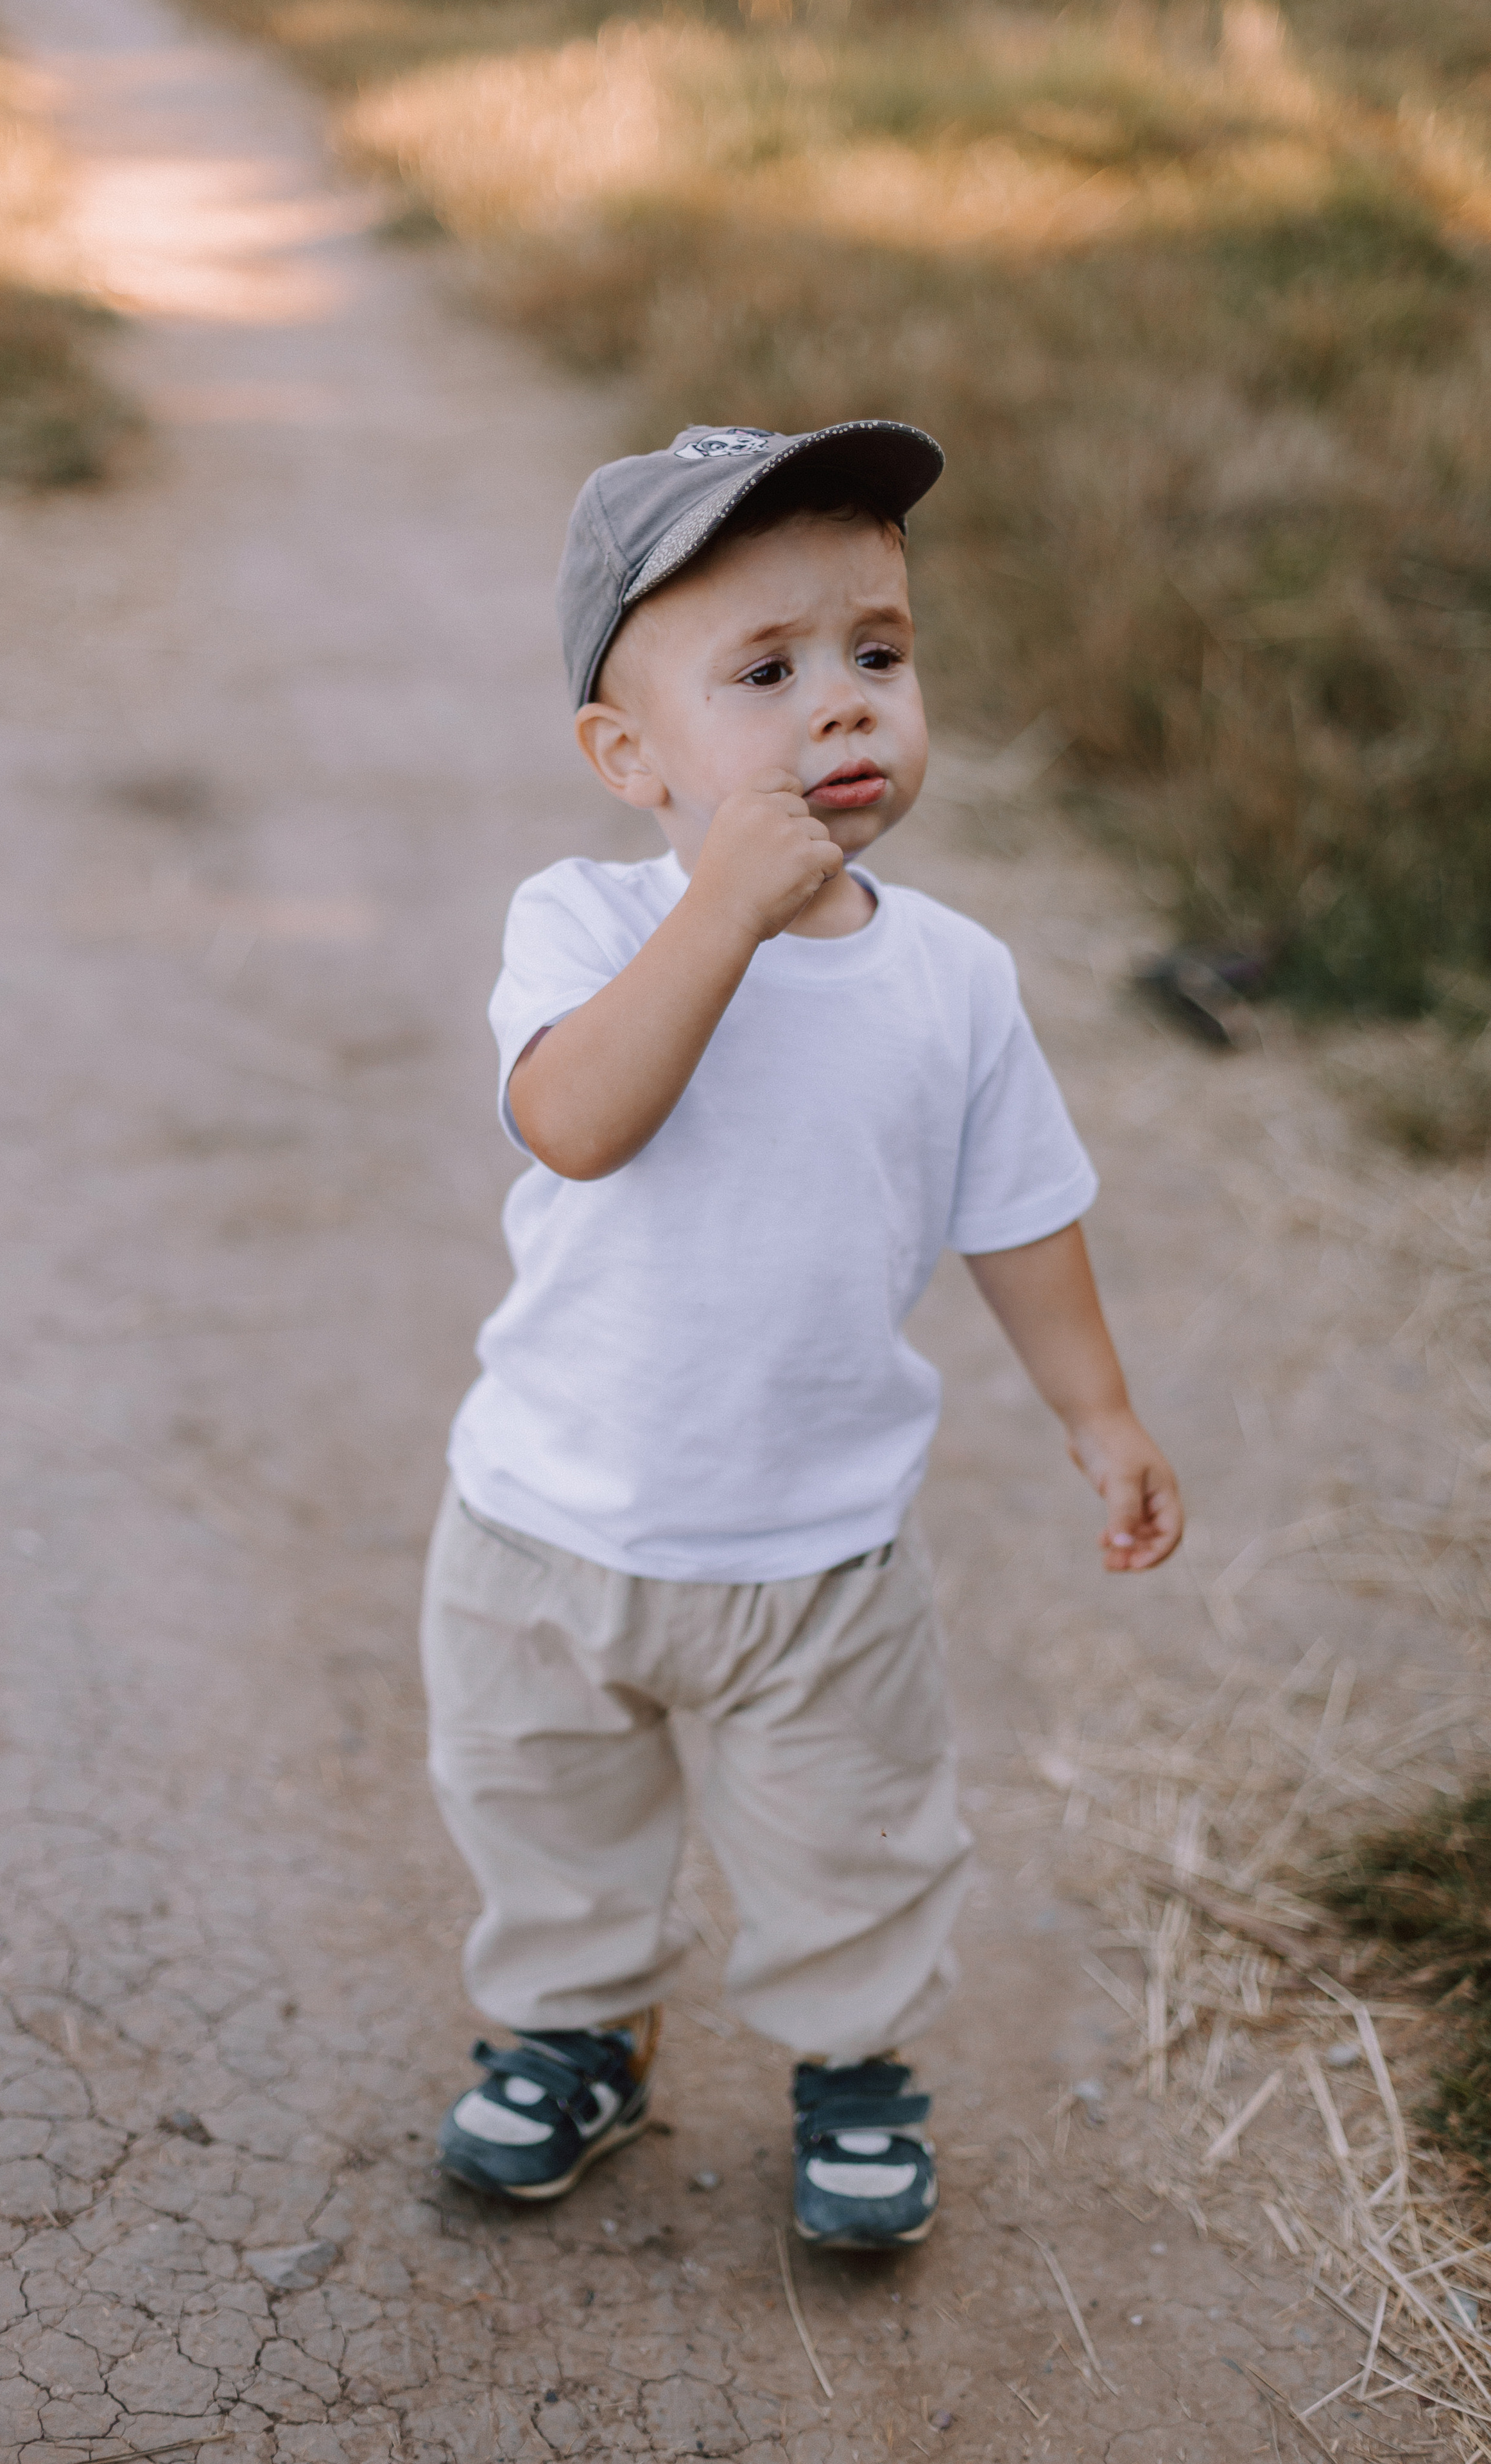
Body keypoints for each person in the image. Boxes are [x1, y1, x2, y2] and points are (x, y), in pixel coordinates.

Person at [422, 420, 1183, 2250]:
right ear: (630, 759)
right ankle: (575, 2032)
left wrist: (1100, 1411)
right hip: (546, 1525)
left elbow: (1018, 1207)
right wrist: (722, 916)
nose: (842, 710)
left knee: (853, 1841)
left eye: (879, 656)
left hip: (818, 1551)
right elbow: (580, 1121)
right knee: (548, 1816)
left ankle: (853, 2064)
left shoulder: (951, 980)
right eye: (764, 675)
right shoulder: (586, 923)